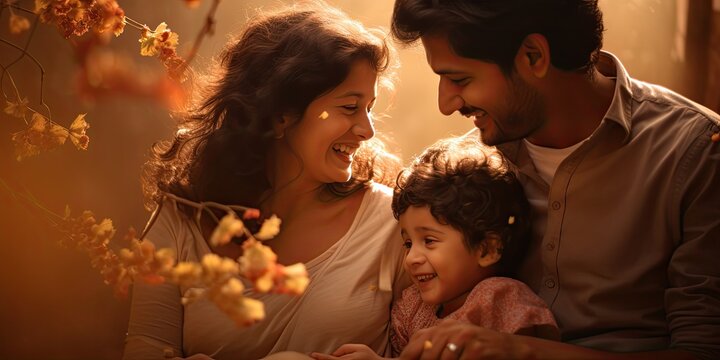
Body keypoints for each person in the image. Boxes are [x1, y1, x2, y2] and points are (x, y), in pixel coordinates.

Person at [389, 0, 720, 359]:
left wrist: (521, 351)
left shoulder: (695, 152)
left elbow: (702, 350)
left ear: (533, 56)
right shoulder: (473, 169)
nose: (446, 103)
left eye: (460, 79)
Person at [123, 2, 410, 359]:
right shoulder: (183, 219)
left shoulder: (393, 224)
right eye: (350, 107)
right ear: (280, 115)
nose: (367, 131)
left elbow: (430, 345)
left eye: (369, 108)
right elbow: (146, 347)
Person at [310, 136, 558, 360]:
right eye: (408, 244)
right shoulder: (412, 307)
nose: (411, 258)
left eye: (429, 241)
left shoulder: (500, 298)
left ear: (487, 250)